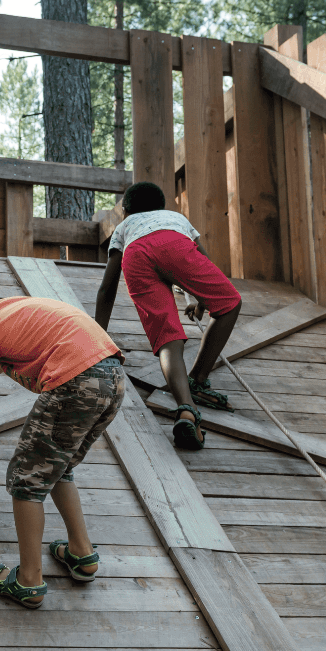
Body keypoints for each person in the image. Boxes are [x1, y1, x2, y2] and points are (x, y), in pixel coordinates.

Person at [0, 264, 125, 609]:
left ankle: (29, 580)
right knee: (58, 468)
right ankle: (82, 553)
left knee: (25, 479)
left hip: (73, 381)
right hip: (110, 377)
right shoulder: (9, 313)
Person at [93, 181, 242, 450]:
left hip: (136, 256)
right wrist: (200, 301)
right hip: (174, 245)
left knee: (167, 338)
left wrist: (97, 336)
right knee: (229, 303)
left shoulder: (125, 226)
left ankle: (187, 408)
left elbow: (108, 288)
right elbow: (202, 260)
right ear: (162, 207)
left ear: (125, 210)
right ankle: (198, 380)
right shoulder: (175, 218)